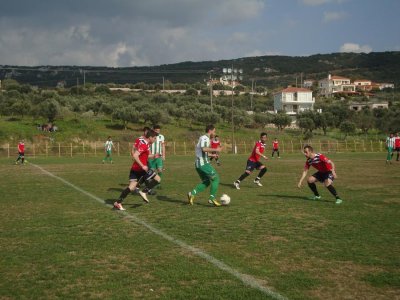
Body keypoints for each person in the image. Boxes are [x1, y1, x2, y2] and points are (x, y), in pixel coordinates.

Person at [114, 130, 161, 211]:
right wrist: (143, 165)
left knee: (131, 187)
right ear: (150, 137)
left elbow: (146, 156)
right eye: (154, 138)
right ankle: (144, 191)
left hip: (135, 168)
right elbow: (135, 155)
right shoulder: (144, 145)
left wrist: (154, 156)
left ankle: (118, 202)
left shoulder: (146, 145)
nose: (155, 140)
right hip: (141, 169)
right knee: (158, 179)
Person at [187, 124, 223, 206]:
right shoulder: (204, 138)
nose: (214, 133)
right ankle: (212, 198)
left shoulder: (205, 138)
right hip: (203, 163)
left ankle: (192, 194)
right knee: (216, 178)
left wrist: (212, 155)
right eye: (214, 131)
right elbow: (204, 149)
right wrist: (216, 149)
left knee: (206, 182)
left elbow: (202, 152)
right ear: (210, 130)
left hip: (199, 164)